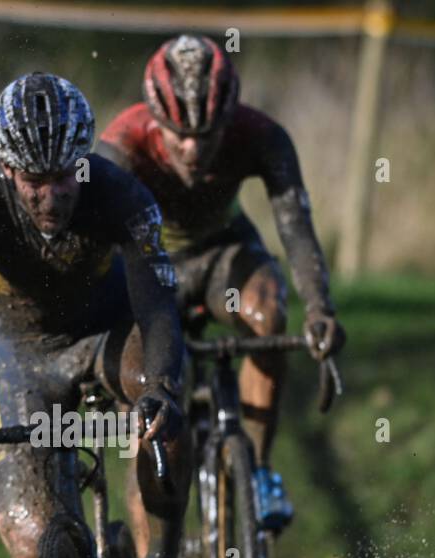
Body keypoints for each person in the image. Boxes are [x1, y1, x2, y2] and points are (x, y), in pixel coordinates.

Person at [0, 73, 192, 558]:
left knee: (158, 408)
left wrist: (161, 386)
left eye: (64, 177)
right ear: (8, 171)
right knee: (30, 547)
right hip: (21, 356)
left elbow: (158, 307)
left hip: (108, 337)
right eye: (34, 180)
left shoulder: (120, 195)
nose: (51, 196)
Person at [98, 34, 346, 530]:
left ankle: (258, 468)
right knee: (145, 382)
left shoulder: (261, 136)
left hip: (223, 253)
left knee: (268, 315)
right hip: (152, 263)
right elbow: (95, 247)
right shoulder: (123, 143)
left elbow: (295, 227)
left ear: (228, 120)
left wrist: (319, 307)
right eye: (178, 135)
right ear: (154, 119)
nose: (192, 148)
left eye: (206, 135)